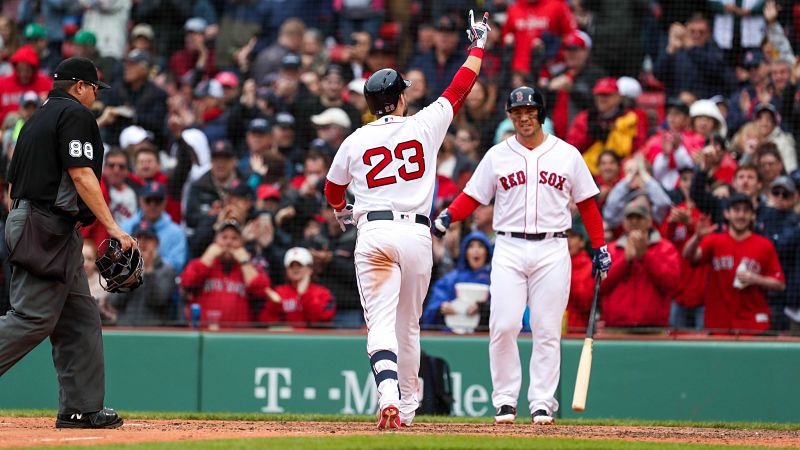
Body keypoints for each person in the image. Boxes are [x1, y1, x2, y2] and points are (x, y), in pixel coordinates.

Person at [323, 10, 490, 430]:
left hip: (375, 232)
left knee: (380, 324)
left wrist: (342, 210)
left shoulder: (355, 139)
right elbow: (460, 87)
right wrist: (478, 45)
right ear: (399, 98)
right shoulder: (423, 125)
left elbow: (331, 189)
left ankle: (388, 397)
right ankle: (410, 407)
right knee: (408, 327)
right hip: (416, 235)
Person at [432, 85, 611, 425]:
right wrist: (448, 216)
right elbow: (474, 195)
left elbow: (587, 203)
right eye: (517, 113)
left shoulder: (567, 154)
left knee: (546, 329)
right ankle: (505, 400)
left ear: (540, 114)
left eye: (529, 112)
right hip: (509, 245)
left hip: (552, 247)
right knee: (504, 325)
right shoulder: (498, 155)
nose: (524, 118)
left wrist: (599, 245)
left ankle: (542, 401)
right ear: (510, 117)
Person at [0, 57, 136, 428]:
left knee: (79, 318)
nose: (95, 95)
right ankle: (81, 407)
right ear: (79, 86)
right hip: (46, 226)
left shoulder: (34, 120)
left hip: (40, 222)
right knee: (32, 318)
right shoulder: (75, 114)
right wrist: (113, 227)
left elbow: (12, 187)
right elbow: (81, 174)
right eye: (94, 88)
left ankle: (81, 408)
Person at [683, 193, 785, 333]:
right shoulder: (715, 241)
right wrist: (697, 237)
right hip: (719, 322)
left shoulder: (764, 245)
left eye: (746, 211)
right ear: (727, 213)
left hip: (753, 323)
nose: (741, 215)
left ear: (752, 215)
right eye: (736, 210)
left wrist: (755, 279)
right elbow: (688, 256)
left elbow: (780, 284)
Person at [600, 202, 681, 327]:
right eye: (630, 218)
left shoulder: (665, 248)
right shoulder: (610, 250)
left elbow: (671, 283)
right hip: (616, 326)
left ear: (649, 221)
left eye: (639, 217)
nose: (634, 221)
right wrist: (624, 261)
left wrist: (645, 256)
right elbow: (599, 285)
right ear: (624, 222)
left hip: (654, 327)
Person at [181, 220, 271, 327]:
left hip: (239, 334)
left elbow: (262, 291)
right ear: (215, 241)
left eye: (234, 238)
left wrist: (245, 262)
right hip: (205, 333)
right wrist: (208, 256)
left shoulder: (251, 267)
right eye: (224, 237)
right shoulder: (201, 263)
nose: (229, 243)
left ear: (242, 244)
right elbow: (187, 282)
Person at [421, 231, 492, 331]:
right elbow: (430, 311)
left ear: (487, 251)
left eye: (480, 246)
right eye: (471, 246)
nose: (476, 250)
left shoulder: (495, 280)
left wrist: (483, 308)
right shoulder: (451, 279)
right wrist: (442, 308)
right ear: (465, 252)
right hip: (450, 334)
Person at [257, 247, 336, 325]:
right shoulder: (279, 292)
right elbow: (264, 322)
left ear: (310, 269)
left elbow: (322, 319)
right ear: (286, 270)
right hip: (288, 333)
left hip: (313, 334)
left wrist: (304, 294)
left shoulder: (323, 293)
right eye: (291, 266)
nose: (295, 269)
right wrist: (274, 306)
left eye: (299, 265)